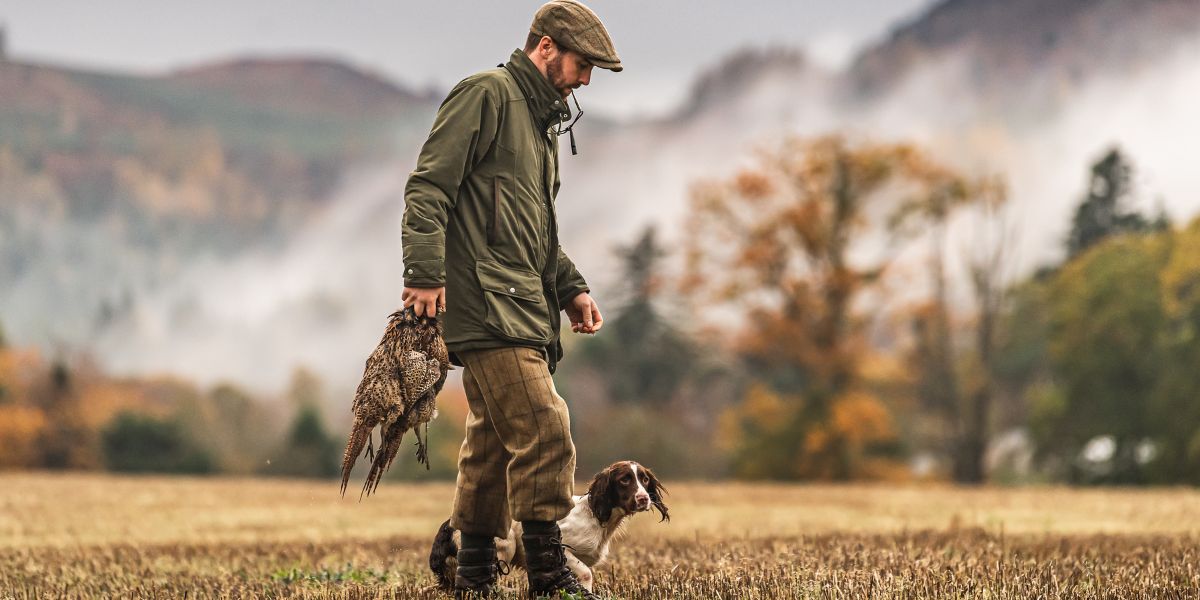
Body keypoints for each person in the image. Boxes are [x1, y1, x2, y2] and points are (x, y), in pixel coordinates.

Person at [399, 1, 621, 597]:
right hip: (485, 307)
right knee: (546, 427)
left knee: (494, 442)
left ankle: (472, 573)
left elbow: (534, 230)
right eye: (582, 63)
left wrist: (570, 286)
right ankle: (549, 575)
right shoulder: (486, 95)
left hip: (523, 305)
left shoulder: (544, 127)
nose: (586, 78)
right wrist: (423, 273)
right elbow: (428, 188)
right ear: (546, 46)